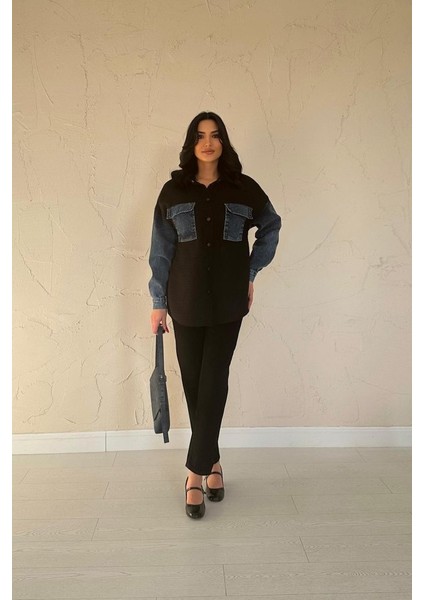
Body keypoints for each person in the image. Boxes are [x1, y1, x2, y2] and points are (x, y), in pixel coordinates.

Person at [148, 111, 281, 519]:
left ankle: (194, 472)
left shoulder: (244, 188)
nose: (208, 142)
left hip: (228, 301)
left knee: (213, 379)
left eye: (215, 135)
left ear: (224, 142)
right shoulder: (173, 191)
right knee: (194, 383)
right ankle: (214, 461)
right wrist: (157, 301)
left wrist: (251, 272)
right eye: (200, 136)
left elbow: (271, 226)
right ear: (191, 143)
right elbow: (161, 250)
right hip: (184, 300)